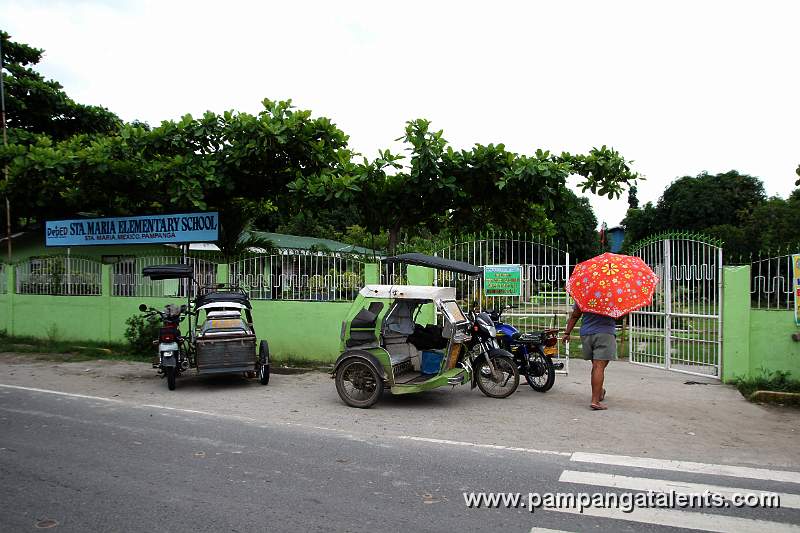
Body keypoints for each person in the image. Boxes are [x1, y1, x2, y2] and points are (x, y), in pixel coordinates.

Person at [562, 303, 617, 410]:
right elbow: (617, 317)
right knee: (599, 367)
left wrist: (567, 332)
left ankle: (600, 392)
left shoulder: (585, 295)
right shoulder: (613, 297)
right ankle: (595, 401)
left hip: (587, 334)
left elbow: (575, 315)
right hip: (605, 334)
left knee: (596, 366)